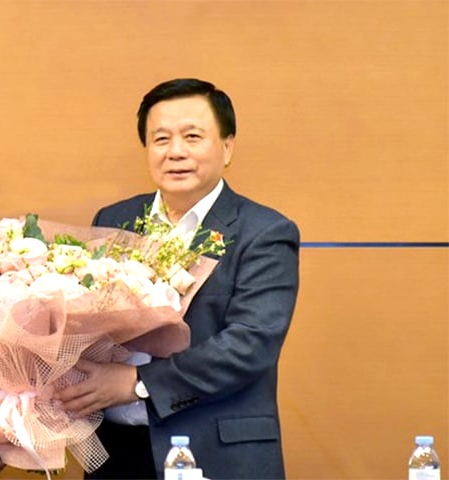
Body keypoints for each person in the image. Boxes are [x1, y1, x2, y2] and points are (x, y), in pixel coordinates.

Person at [56, 78, 300, 480]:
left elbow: (250, 344)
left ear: (227, 147)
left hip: (214, 452)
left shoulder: (264, 231)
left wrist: (137, 382)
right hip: (117, 453)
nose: (176, 152)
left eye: (192, 136)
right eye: (161, 139)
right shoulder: (114, 221)